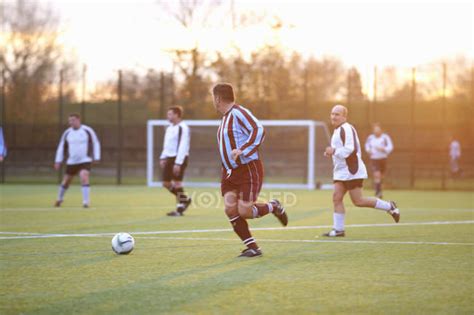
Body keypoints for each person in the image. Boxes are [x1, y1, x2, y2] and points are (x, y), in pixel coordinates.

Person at [212, 83, 288, 258]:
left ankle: (273, 206)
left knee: (245, 211)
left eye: (213, 98)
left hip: (248, 169)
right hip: (229, 172)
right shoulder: (225, 118)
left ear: (217, 98)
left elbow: (259, 130)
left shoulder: (238, 112)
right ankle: (253, 248)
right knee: (230, 210)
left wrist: (243, 150)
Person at [322, 105, 400, 237]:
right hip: (340, 171)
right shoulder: (337, 130)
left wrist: (334, 151)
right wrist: (331, 153)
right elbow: (340, 151)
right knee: (336, 198)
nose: (333, 116)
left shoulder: (346, 128)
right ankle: (338, 230)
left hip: (352, 170)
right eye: (332, 114)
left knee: (358, 201)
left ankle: (389, 206)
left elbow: (350, 149)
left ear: (344, 117)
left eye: (337, 114)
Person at [54, 113, 101, 208]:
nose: (71, 122)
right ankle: (59, 199)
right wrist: (58, 160)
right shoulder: (67, 133)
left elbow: (96, 142)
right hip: (72, 161)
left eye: (73, 120)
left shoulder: (87, 130)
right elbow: (61, 147)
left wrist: (97, 157)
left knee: (84, 177)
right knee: (66, 181)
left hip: (85, 160)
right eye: (70, 121)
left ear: (79, 120)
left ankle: (86, 202)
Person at [159, 106, 192, 216]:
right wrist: (163, 157)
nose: (168, 116)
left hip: (180, 158)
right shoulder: (169, 128)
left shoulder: (183, 127)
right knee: (166, 183)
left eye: (170, 114)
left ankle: (179, 209)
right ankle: (185, 200)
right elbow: (167, 144)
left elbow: (183, 145)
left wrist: (178, 163)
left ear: (177, 115)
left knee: (177, 183)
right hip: (169, 157)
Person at [364, 123, 394, 198]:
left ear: (381, 130)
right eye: (375, 130)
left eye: (378, 129)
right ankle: (378, 192)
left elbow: (390, 147)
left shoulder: (385, 137)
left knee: (381, 177)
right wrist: (369, 151)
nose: (376, 131)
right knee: (377, 175)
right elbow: (367, 146)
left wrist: (384, 149)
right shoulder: (370, 138)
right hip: (374, 159)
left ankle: (379, 190)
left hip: (383, 159)